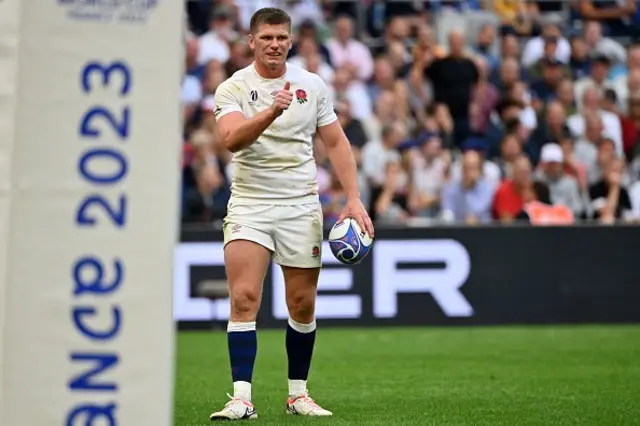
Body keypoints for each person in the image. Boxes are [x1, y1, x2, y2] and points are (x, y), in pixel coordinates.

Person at [209, 7, 374, 421]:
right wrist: (270, 111)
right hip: (250, 202)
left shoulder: (311, 85)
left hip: (301, 203)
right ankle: (241, 398)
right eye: (266, 37)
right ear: (251, 41)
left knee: (302, 303)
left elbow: (336, 143)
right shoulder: (232, 88)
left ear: (290, 41)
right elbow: (231, 140)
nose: (275, 44)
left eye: (281, 37)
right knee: (244, 297)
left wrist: (353, 198)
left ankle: (297, 394)